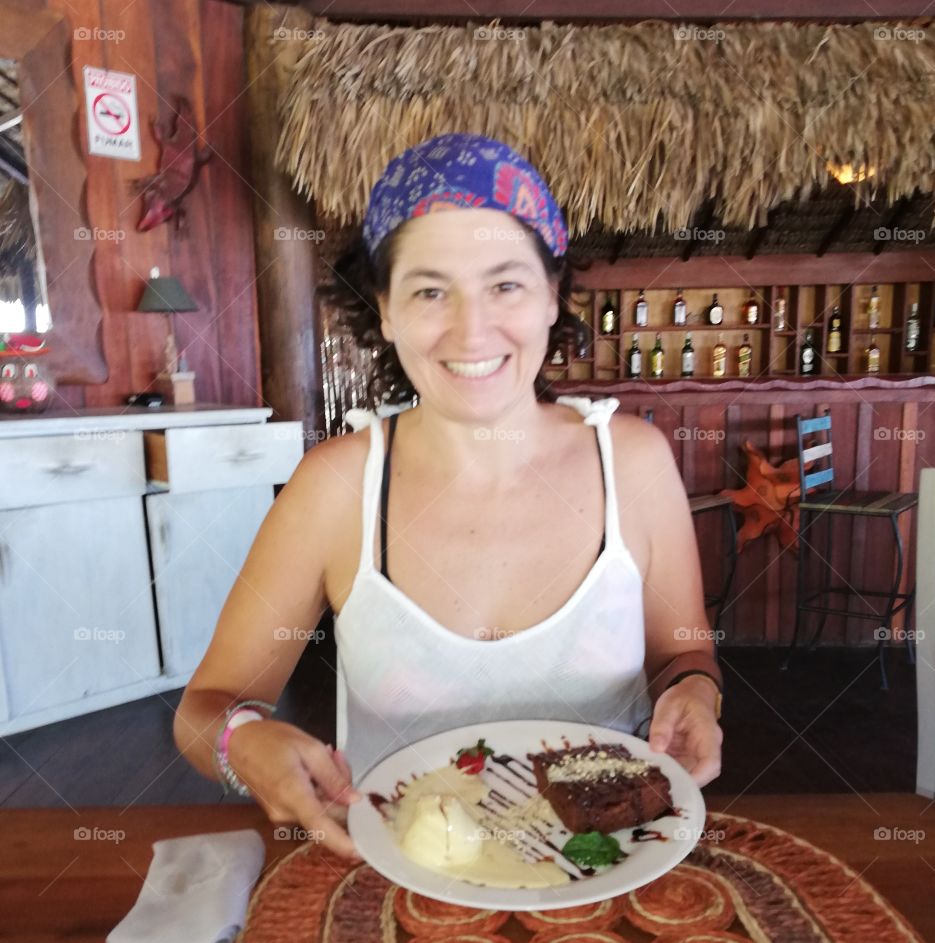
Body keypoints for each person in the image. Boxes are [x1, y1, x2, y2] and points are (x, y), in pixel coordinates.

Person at [173, 132, 723, 859]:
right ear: (387, 311)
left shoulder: (635, 463)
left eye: (505, 285)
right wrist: (244, 743)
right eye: (431, 290)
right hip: (396, 874)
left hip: (605, 868)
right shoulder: (337, 487)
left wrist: (696, 694)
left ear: (552, 296)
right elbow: (203, 712)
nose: (472, 329)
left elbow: (684, 655)